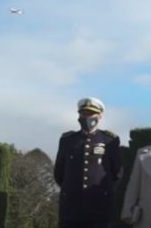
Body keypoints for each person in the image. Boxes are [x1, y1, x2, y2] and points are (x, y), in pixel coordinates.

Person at [54, 97, 123, 228]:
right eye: (84, 113)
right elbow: (59, 173)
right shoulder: (67, 140)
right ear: (79, 115)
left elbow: (117, 174)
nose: (87, 117)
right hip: (71, 210)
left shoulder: (109, 140)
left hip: (99, 210)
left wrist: (104, 191)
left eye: (91, 113)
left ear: (100, 116)